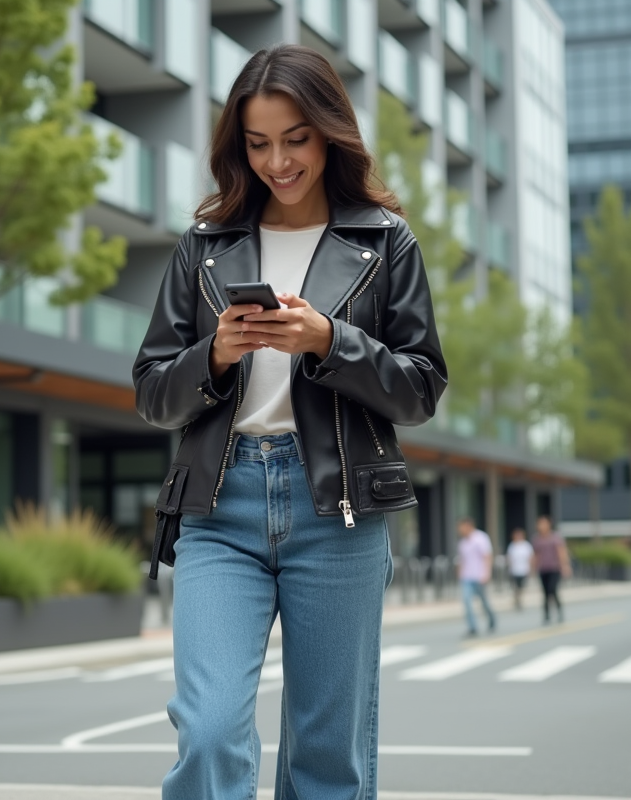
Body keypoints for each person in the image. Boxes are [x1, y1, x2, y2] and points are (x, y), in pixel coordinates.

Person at [132, 44, 447, 800]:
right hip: (219, 508)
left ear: (328, 131)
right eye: (258, 142)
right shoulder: (204, 248)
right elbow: (151, 390)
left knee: (327, 757)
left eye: (295, 139)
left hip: (335, 511)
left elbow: (420, 388)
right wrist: (213, 356)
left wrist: (331, 342)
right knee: (208, 734)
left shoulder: (382, 242)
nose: (278, 160)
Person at [457, 518, 496, 637]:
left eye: (461, 527)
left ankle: (491, 618)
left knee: (484, 602)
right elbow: (462, 560)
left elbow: (487, 556)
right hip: (466, 577)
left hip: (479, 576)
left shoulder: (481, 538)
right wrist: (460, 573)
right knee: (466, 601)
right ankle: (472, 627)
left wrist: (487, 573)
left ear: (468, 526)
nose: (459, 530)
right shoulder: (462, 543)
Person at [532, 516, 570, 624]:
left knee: (552, 590)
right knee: (545, 593)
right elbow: (536, 554)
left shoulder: (555, 537)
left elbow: (561, 552)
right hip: (543, 569)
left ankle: (559, 611)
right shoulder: (537, 538)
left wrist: (565, 566)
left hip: (554, 568)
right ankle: (546, 615)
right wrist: (533, 567)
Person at [506, 528, 534, 610]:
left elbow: (530, 557)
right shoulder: (512, 545)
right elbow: (509, 557)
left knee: (521, 587)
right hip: (514, 570)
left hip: (523, 570)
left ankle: (519, 600)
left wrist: (531, 569)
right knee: (515, 587)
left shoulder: (526, 545)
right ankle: (517, 600)